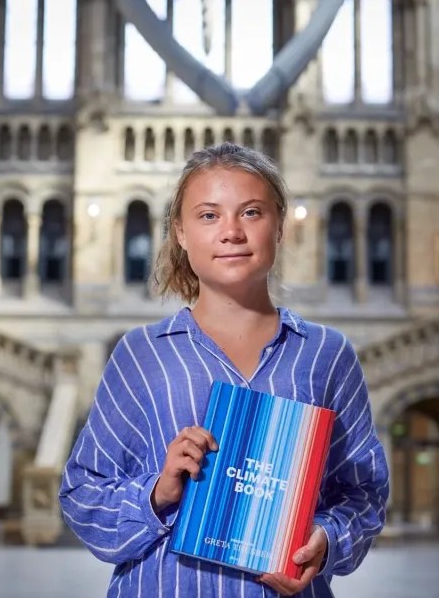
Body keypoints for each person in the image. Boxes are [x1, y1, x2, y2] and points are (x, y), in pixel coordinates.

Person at [59, 143, 389, 597]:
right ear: (180, 231)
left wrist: (327, 540)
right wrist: (157, 493)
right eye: (209, 215)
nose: (231, 232)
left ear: (279, 224)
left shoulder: (327, 355)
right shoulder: (141, 354)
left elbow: (364, 492)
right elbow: (81, 493)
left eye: (251, 212)